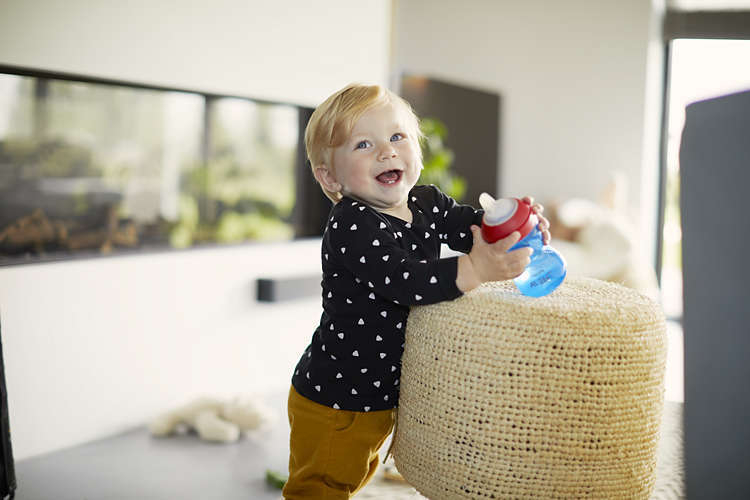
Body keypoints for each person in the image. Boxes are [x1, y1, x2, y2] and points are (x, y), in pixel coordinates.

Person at [283, 83, 550, 499]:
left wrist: (509, 227)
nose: (386, 152)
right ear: (330, 176)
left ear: (417, 152)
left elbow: (470, 227)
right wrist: (476, 268)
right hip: (337, 399)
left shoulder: (426, 202)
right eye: (363, 144)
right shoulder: (351, 222)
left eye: (397, 136)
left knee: (355, 475)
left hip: (378, 395)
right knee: (322, 486)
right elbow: (405, 280)